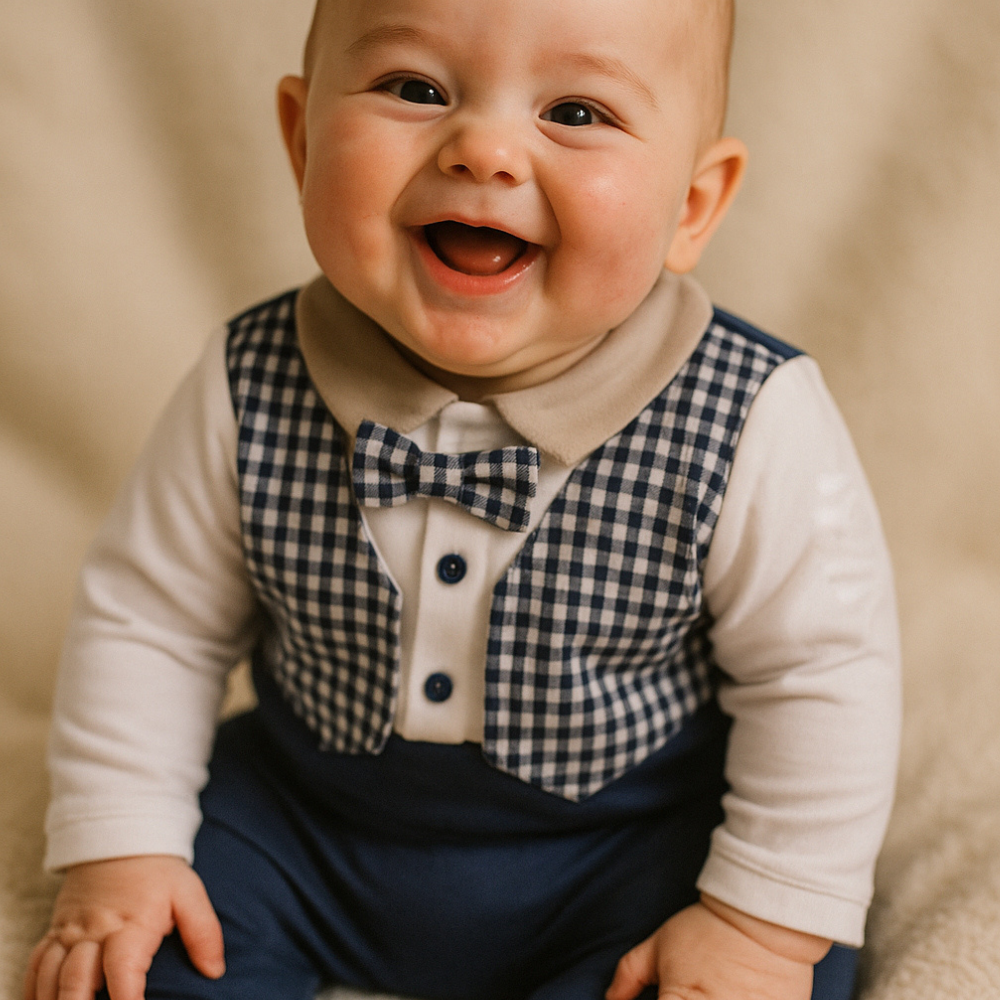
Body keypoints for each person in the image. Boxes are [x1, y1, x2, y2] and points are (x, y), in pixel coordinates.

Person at [25, 1, 901, 999]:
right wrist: (122, 850)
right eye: (416, 89)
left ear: (693, 204)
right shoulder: (250, 377)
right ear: (301, 138)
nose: (482, 149)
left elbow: (821, 675)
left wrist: (757, 925)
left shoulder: (748, 414)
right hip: (308, 825)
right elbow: (152, 620)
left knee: (773, 966)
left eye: (576, 110)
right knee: (135, 961)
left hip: (622, 847)